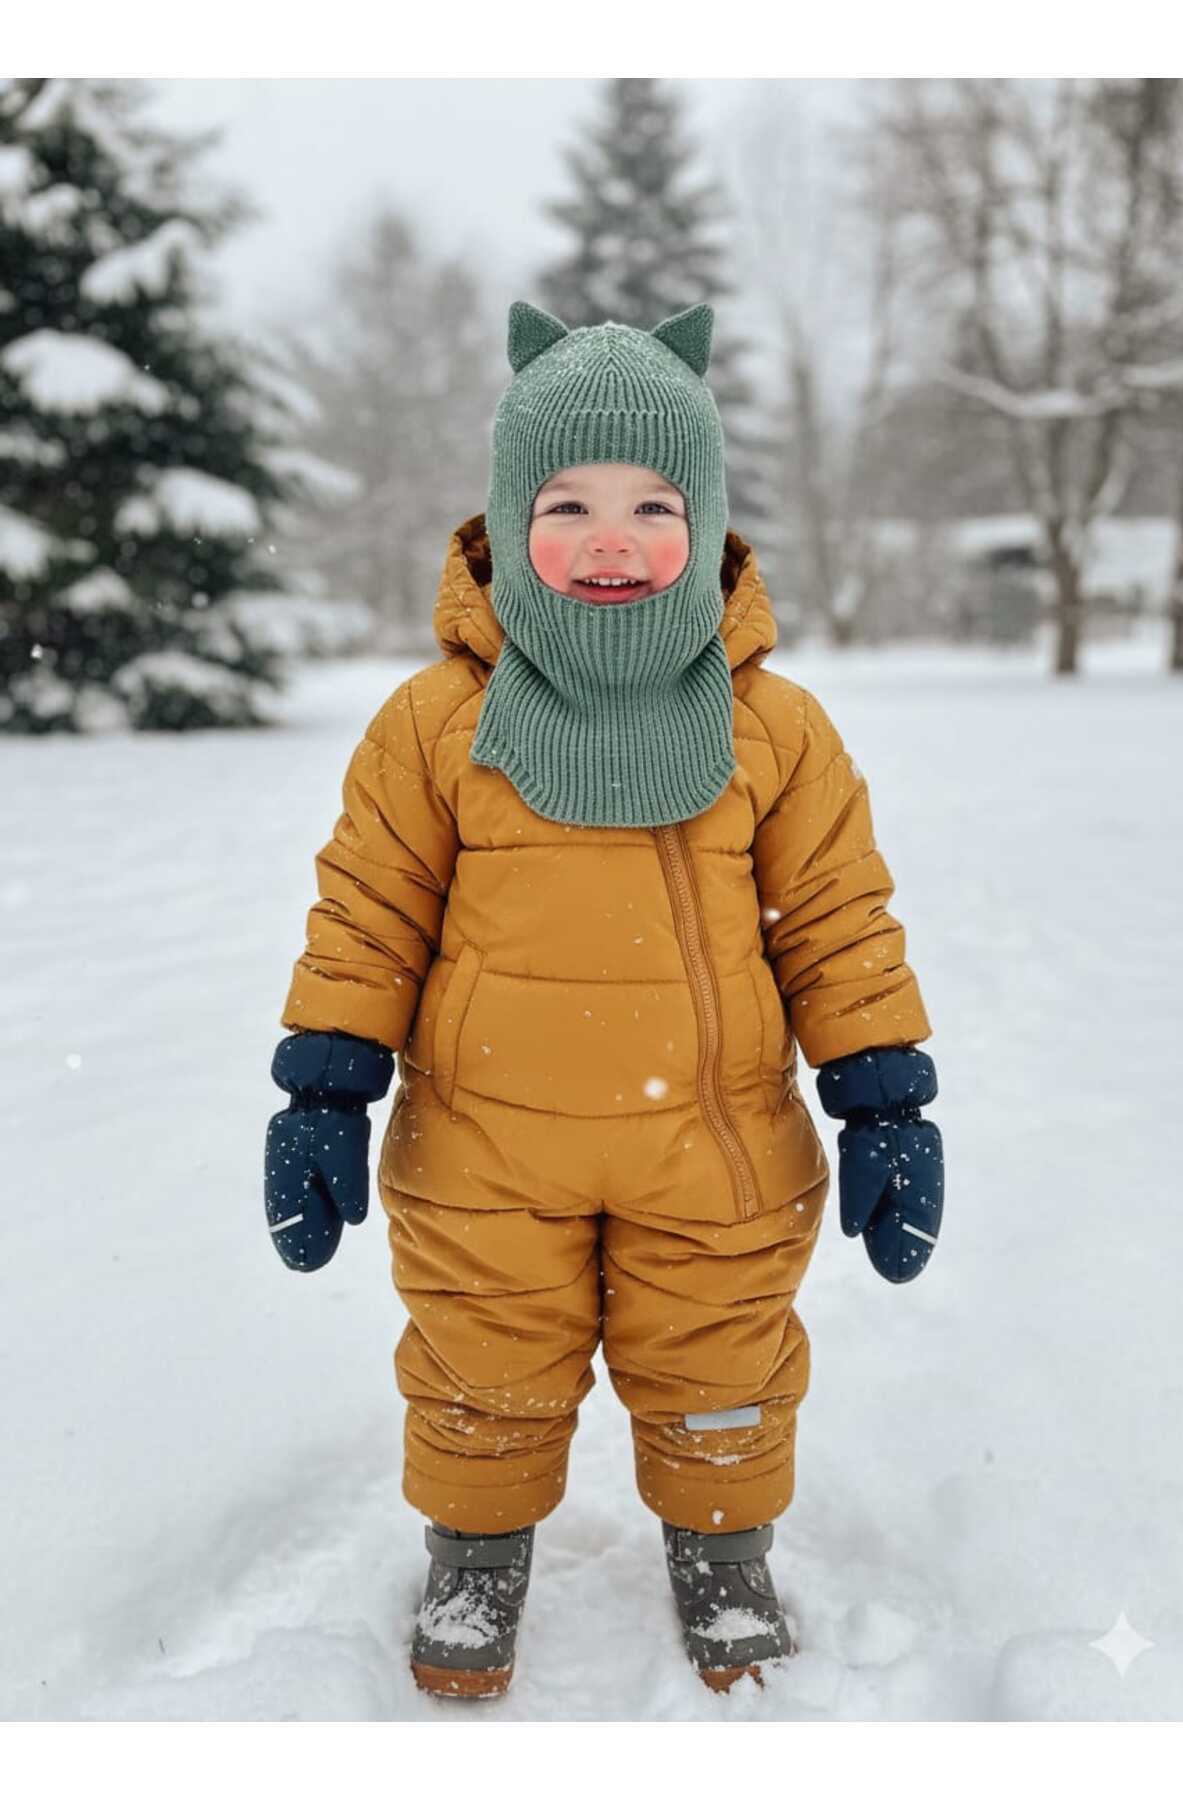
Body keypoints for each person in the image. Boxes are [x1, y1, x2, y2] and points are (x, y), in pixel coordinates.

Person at [264, 300, 945, 1702]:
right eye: (567, 503)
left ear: (706, 522)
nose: (612, 537)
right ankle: (476, 1554)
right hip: (483, 1144)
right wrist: (326, 1080)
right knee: (479, 1350)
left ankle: (723, 1552)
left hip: (716, 1139)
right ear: (512, 521)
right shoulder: (435, 723)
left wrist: (883, 1095)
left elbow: (834, 919)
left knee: (721, 1348)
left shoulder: (775, 726)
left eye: (653, 503)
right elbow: (370, 908)